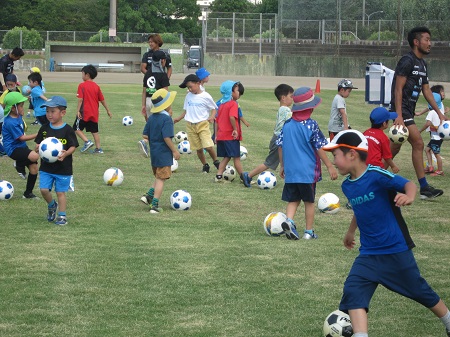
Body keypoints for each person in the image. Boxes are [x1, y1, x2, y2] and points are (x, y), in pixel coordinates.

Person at [322, 129, 450, 337]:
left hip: (395, 250)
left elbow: (407, 184)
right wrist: (350, 231)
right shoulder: (347, 186)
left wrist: (409, 196)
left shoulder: (376, 174)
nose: (333, 161)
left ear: (352, 154)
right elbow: (360, 209)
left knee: (420, 291)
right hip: (369, 254)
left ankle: (448, 321)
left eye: (336, 155)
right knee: (353, 290)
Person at [389, 26, 444, 200]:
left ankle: (368, 179)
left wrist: (440, 113)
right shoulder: (407, 60)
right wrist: (398, 115)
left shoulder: (422, 64)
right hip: (401, 110)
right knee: (418, 143)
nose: (430, 43)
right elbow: (398, 90)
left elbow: (426, 91)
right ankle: (424, 187)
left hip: (408, 111)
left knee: (394, 149)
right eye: (427, 39)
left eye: (430, 40)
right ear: (416, 42)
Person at [276, 86, 338, 240]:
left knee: (293, 199)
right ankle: (308, 232)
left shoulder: (287, 125)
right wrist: (330, 165)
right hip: (307, 172)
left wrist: (283, 165)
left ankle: (289, 221)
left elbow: (280, 146)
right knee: (309, 201)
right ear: (310, 108)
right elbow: (319, 147)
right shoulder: (312, 125)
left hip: (291, 171)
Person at [35, 96, 79, 225]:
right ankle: (51, 205)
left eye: (53, 111)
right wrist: (38, 148)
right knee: (44, 190)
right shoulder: (44, 129)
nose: (49, 114)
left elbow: (73, 146)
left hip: (63, 168)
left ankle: (62, 215)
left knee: (60, 192)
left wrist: (66, 154)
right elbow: (38, 144)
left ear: (63, 113)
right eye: (47, 111)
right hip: (46, 168)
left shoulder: (68, 130)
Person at [242, 84, 294, 187]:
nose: (293, 99)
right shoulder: (286, 110)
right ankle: (248, 175)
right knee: (269, 163)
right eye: (291, 96)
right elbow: (292, 122)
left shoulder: (282, 109)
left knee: (288, 160)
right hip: (280, 140)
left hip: (278, 139)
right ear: (283, 98)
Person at [139, 89, 180, 213]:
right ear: (166, 105)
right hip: (164, 153)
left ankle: (148, 196)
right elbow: (167, 137)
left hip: (154, 154)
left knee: (158, 177)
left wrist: (146, 142)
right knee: (161, 179)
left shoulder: (152, 118)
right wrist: (174, 151)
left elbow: (145, 135)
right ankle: (154, 205)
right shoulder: (167, 120)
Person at [173, 74, 220, 173]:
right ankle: (205, 165)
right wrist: (178, 119)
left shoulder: (205, 96)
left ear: (198, 83)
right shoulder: (188, 96)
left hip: (202, 124)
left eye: (191, 86)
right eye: (188, 87)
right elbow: (186, 110)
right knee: (198, 149)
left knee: (208, 146)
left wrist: (212, 116)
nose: (189, 89)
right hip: (190, 126)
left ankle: (216, 161)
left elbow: (214, 108)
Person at [1, 92, 40, 198]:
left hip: (21, 147)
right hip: (13, 149)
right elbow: (21, 138)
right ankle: (19, 164)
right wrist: (37, 134)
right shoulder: (10, 122)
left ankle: (28, 193)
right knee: (34, 156)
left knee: (34, 167)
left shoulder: (17, 115)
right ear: (13, 108)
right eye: (21, 106)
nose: (23, 107)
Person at [138, 50, 171, 158]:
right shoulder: (163, 75)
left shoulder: (148, 73)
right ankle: (149, 143)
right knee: (161, 125)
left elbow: (144, 90)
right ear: (162, 61)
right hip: (159, 103)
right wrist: (169, 108)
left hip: (148, 101)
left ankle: (147, 143)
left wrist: (143, 105)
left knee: (151, 125)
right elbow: (165, 93)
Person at [73, 64, 112, 154]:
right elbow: (102, 100)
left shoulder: (82, 86)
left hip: (84, 112)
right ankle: (98, 149)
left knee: (76, 128)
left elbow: (80, 100)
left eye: (82, 73)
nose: (82, 76)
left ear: (87, 75)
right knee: (94, 131)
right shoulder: (96, 86)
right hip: (94, 113)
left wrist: (78, 110)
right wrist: (108, 110)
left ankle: (87, 142)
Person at [214, 80, 248, 183]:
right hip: (230, 136)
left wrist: (216, 135)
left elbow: (217, 121)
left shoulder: (221, 105)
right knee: (236, 157)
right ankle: (244, 177)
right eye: (237, 90)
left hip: (222, 136)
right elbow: (232, 117)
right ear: (231, 92)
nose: (238, 92)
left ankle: (218, 176)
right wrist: (235, 129)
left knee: (227, 157)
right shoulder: (233, 104)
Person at [0, 73, 28, 178]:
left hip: (17, 116)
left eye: (11, 84)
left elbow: (21, 102)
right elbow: (2, 106)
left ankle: (19, 161)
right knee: (13, 135)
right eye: (8, 85)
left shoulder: (19, 91)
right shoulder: (5, 94)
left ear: (16, 83)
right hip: (7, 117)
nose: (10, 87)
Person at [363, 107, 399, 173]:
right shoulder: (383, 138)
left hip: (362, 167)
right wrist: (393, 166)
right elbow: (387, 157)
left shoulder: (365, 133)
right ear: (384, 123)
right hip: (376, 168)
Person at [419, 92, 445, 176]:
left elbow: (428, 124)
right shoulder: (439, 110)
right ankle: (430, 167)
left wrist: (419, 131)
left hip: (436, 138)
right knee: (427, 149)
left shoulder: (432, 112)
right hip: (438, 137)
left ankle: (440, 170)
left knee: (436, 154)